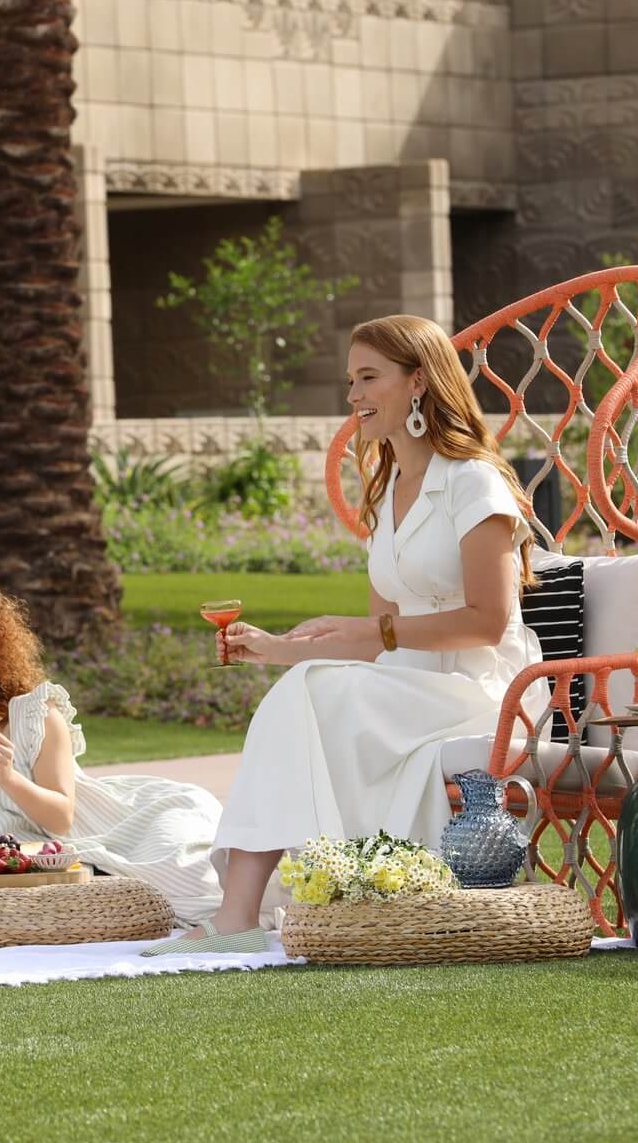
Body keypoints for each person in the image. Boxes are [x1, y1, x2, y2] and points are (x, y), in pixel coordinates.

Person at [144, 314, 546, 955]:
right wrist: (278, 649)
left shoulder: (473, 482)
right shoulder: (387, 492)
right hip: (408, 683)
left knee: (312, 691)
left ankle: (240, 914)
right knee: (306, 685)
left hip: (483, 690)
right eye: (351, 380)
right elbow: (380, 638)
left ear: (418, 382)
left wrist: (372, 634)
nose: (354, 395)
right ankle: (250, 910)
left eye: (368, 378)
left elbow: (486, 622)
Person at [0, 588, 227, 926]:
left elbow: (61, 818)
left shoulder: (36, 717)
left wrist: (9, 779)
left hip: (120, 826)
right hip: (43, 865)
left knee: (189, 884)